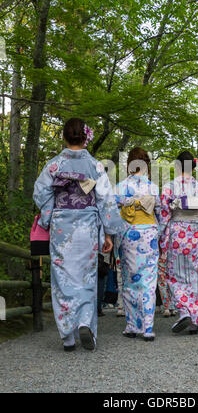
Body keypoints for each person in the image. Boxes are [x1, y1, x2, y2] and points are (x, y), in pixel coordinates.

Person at [33, 118, 124, 351]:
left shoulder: (53, 165)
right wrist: (108, 234)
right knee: (86, 277)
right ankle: (85, 322)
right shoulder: (95, 166)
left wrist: (50, 214)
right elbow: (106, 201)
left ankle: (67, 337)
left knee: (62, 278)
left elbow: (40, 193)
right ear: (86, 137)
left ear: (64, 136)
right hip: (87, 226)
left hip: (62, 226)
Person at [160, 151, 198, 334]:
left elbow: (163, 214)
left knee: (175, 276)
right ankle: (196, 320)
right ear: (193, 167)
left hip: (177, 233)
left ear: (177, 166)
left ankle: (184, 311)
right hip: (196, 234)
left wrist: (162, 236)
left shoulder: (169, 187)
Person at [114, 147, 161, 341]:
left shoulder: (120, 187)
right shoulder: (154, 188)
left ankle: (133, 325)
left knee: (130, 277)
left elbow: (113, 214)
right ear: (147, 165)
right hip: (150, 232)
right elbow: (161, 213)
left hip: (129, 232)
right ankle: (148, 327)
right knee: (149, 280)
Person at [157, 250, 176, 317]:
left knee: (162, 282)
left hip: (160, 254)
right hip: (172, 254)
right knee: (171, 281)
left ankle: (167, 307)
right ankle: (172, 307)